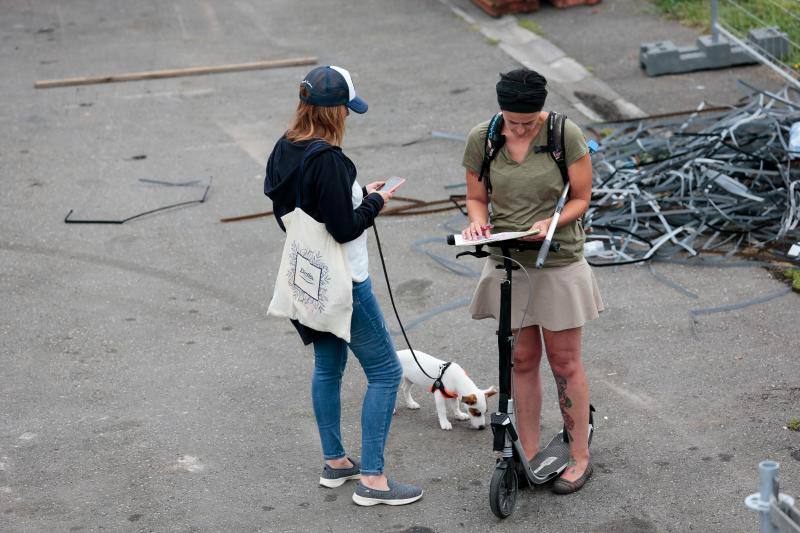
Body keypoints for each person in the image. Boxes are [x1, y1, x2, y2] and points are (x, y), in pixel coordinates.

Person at [264, 65, 423, 506]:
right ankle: (373, 480)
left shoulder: (284, 147)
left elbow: (296, 210)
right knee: (386, 372)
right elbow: (345, 228)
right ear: (335, 111)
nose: (350, 116)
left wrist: (355, 194)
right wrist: (375, 201)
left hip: (308, 280)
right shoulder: (331, 161)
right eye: (347, 109)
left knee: (328, 367)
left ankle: (335, 462)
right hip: (345, 282)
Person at [460, 68, 603, 494]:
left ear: (540, 111)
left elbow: (581, 197)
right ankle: (531, 450)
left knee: (564, 362)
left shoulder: (565, 134)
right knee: (521, 361)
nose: (519, 129)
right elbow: (476, 197)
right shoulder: (483, 138)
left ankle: (579, 457)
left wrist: (551, 222)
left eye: (527, 122)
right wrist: (478, 223)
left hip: (558, 262)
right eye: (512, 121)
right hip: (508, 262)